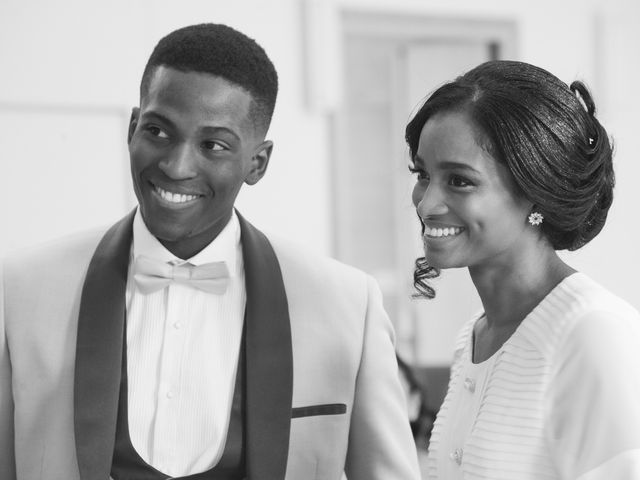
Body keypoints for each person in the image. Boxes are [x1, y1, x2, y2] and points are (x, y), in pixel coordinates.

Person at [0, 23, 420, 480]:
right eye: (158, 131)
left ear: (257, 163)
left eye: (213, 145)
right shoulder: (21, 290)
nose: (176, 166)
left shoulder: (346, 304)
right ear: (132, 127)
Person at [405, 59, 640, 479]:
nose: (425, 204)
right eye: (422, 174)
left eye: (459, 180)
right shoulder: (473, 340)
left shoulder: (593, 334)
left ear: (535, 192)